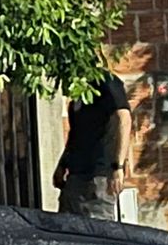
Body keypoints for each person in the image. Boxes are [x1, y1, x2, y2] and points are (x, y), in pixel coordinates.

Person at [52, 72, 132, 220]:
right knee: (67, 228)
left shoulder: (105, 81)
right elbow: (75, 134)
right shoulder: (78, 97)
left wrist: (118, 167)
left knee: (99, 229)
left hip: (99, 174)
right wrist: (62, 164)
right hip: (75, 175)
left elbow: (124, 118)